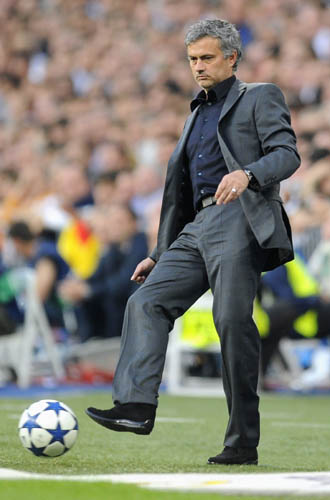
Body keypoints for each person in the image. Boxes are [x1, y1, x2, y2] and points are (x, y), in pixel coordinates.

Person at [86, 19, 300, 466]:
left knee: (230, 322)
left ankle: (242, 442)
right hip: (197, 226)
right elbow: (177, 195)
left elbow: (287, 154)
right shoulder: (194, 115)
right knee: (145, 301)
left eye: (205, 58)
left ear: (231, 58)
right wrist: (158, 253)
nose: (197, 67)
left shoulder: (261, 96)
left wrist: (248, 174)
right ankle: (136, 407)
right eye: (192, 60)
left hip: (240, 218)